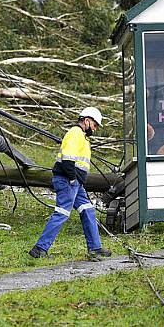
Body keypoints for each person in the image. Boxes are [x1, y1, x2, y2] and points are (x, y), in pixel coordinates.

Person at [29, 106, 112, 260]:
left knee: (88, 210)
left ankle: (95, 248)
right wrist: (72, 178)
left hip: (76, 183)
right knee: (61, 213)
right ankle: (39, 249)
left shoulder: (81, 136)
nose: (95, 129)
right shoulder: (75, 133)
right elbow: (67, 159)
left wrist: (77, 181)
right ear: (87, 121)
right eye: (94, 125)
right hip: (68, 180)